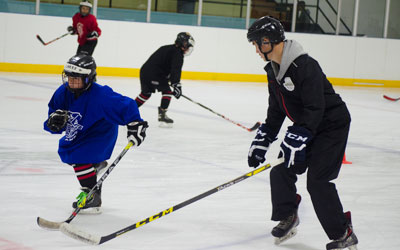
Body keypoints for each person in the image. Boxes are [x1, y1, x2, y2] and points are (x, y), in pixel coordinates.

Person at [246, 16, 358, 250]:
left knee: (317, 181)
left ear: (269, 42)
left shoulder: (305, 66)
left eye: (258, 44)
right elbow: (276, 110)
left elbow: (315, 107)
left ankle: (342, 233)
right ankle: (289, 215)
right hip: (309, 125)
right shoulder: (273, 70)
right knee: (280, 169)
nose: (256, 49)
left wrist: (300, 134)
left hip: (331, 126)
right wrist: (265, 137)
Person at [44, 53, 148, 213]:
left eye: (76, 78)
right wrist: (54, 122)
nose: (71, 81)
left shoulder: (101, 95)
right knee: (69, 151)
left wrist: (135, 123)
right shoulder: (62, 92)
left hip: (101, 131)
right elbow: (53, 114)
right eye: (69, 77)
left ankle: (92, 196)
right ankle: (94, 166)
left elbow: (127, 105)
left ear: (88, 78)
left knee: (79, 157)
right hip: (81, 128)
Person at [134, 32, 195, 127]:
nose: (189, 47)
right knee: (167, 91)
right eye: (188, 44)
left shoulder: (169, 48)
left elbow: (168, 68)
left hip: (146, 72)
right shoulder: (177, 54)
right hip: (154, 74)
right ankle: (162, 115)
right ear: (183, 43)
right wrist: (176, 85)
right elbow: (175, 70)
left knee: (145, 94)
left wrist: (174, 83)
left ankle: (127, 110)